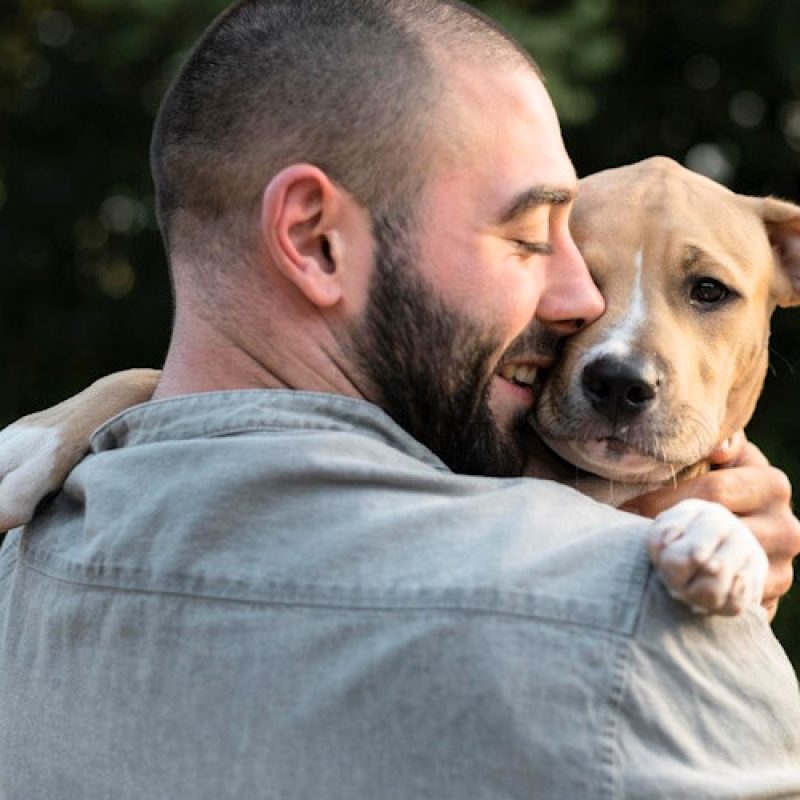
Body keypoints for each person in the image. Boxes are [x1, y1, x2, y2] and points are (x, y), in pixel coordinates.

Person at [0, 1, 798, 797]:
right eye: (527, 240)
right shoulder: (633, 638)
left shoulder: (21, 574)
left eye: (705, 290)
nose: (578, 304)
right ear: (314, 240)